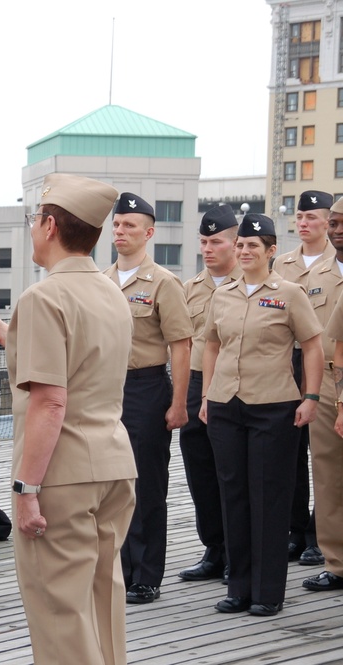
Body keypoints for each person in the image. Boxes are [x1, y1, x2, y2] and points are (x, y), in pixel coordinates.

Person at [0, 173, 137, 664]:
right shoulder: (110, 293)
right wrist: (10, 335)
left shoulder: (43, 297)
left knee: (60, 613)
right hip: (112, 464)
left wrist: (25, 490)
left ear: (48, 225)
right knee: (103, 601)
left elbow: (51, 402)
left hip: (61, 475)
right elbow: (84, 367)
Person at [201, 213, 323, 617]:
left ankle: (267, 591)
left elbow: (312, 345)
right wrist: (205, 397)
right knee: (232, 495)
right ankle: (238, 587)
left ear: (271, 251)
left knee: (268, 497)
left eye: (254, 246)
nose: (245, 251)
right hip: (225, 404)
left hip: (273, 405)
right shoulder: (224, 294)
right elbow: (212, 346)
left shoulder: (289, 293)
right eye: (240, 245)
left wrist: (311, 396)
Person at [104, 192, 192, 604]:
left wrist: (178, 403)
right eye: (117, 225)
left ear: (149, 233)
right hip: (106, 390)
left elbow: (181, 344)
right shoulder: (101, 281)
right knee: (109, 482)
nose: (120, 232)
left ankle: (146, 575)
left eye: (129, 226)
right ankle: (117, 569)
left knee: (147, 484)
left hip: (147, 388)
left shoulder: (163, 282)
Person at [178, 204, 242, 582]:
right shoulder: (190, 289)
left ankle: (238, 551)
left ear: (235, 243)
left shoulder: (252, 284)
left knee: (231, 473)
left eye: (216, 241)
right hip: (196, 383)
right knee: (199, 470)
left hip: (233, 386)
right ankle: (214, 549)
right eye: (203, 241)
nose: (208, 248)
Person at [272, 190, 334, 565]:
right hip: (287, 363)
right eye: (300, 216)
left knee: (322, 457)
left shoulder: (337, 262)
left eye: (312, 217)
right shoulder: (281, 264)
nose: (304, 223)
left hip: (326, 367)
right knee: (289, 454)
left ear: (328, 222)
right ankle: (295, 531)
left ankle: (318, 535)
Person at [301, 196, 343, 592]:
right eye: (334, 221)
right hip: (329, 381)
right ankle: (336, 562)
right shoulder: (317, 274)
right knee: (328, 473)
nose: (337, 229)